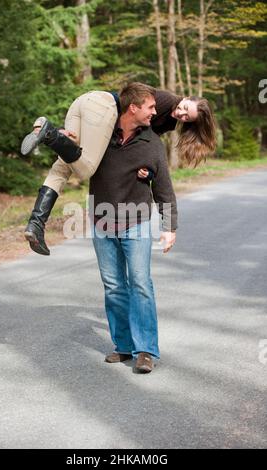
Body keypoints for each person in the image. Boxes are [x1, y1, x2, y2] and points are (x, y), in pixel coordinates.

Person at [21, 84, 216, 255]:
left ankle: (36, 224)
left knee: (64, 165)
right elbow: (135, 102)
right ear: (187, 97)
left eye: (187, 118)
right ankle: (51, 135)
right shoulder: (165, 101)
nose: (181, 114)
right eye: (185, 108)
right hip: (103, 108)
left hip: (84, 103)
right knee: (86, 168)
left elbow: (141, 145)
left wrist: (146, 171)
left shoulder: (171, 120)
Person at [89, 82, 177, 373]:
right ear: (133, 108)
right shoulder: (101, 134)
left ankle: (146, 350)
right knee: (113, 287)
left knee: (140, 284)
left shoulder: (152, 143)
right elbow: (75, 156)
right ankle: (123, 346)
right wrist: (62, 138)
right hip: (102, 222)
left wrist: (169, 226)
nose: (156, 112)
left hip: (136, 222)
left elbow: (164, 187)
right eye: (151, 107)